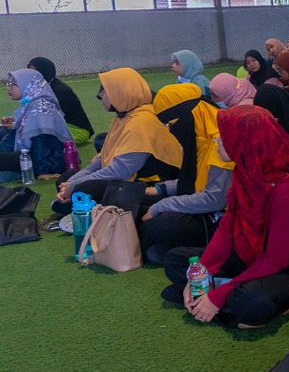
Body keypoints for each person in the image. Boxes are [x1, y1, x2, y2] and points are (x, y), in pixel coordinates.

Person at [160, 105, 289, 329]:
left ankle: (231, 297)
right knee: (176, 260)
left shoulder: (286, 190)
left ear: (244, 142)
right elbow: (226, 231)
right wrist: (199, 274)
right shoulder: (246, 174)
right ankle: (232, 294)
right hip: (256, 255)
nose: (218, 140)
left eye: (225, 135)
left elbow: (277, 259)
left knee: (251, 301)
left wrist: (218, 296)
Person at [53, 68, 182, 215]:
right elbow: (102, 161)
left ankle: (76, 205)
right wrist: (70, 183)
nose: (100, 95)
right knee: (65, 179)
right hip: (126, 177)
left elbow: (120, 170)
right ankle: (74, 203)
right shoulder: (125, 116)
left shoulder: (142, 122)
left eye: (105, 90)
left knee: (85, 188)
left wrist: (75, 185)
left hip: (148, 184)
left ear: (122, 92)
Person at [142, 84, 234, 264]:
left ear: (187, 117)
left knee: (160, 225)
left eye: (170, 124)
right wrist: (161, 190)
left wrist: (162, 205)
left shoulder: (222, 144)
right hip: (204, 206)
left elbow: (214, 199)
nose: (170, 131)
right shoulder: (201, 138)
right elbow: (194, 179)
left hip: (219, 217)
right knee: (143, 201)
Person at [0, 69, 71, 181]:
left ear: (29, 85)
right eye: (9, 84)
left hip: (41, 162)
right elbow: (13, 137)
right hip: (28, 155)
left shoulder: (41, 108)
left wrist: (42, 171)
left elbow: (42, 142)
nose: (9, 88)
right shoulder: (30, 102)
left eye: (14, 84)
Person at [27, 57, 94, 145]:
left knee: (37, 140)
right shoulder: (45, 86)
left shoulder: (58, 90)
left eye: (33, 71)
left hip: (76, 131)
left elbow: (46, 118)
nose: (29, 74)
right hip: (61, 126)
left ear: (43, 72)